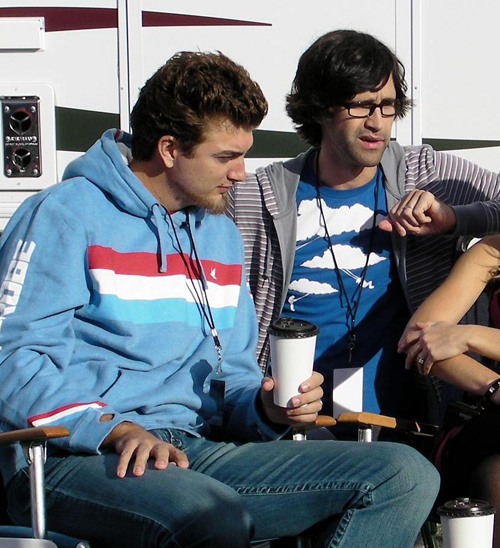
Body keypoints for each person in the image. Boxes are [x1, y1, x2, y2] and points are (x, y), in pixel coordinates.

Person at [0, 51, 439, 548]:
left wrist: (268, 407)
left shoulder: (219, 234)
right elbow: (11, 360)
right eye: (226, 157)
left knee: (403, 474)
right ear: (170, 149)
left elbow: (234, 377)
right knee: (210, 516)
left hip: (196, 452)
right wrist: (112, 428)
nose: (241, 173)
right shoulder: (63, 215)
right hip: (74, 457)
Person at [228, 29, 500, 420]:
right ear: (321, 108)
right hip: (289, 423)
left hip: (402, 425)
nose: (377, 122)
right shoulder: (257, 196)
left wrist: (455, 218)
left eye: (387, 106)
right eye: (361, 106)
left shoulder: (425, 174)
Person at [398, 234, 500, 547]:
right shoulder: (490, 252)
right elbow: (416, 342)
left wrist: (472, 336)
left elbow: (456, 338)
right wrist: (495, 386)